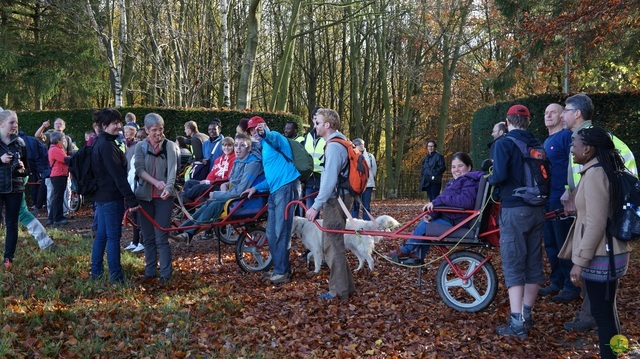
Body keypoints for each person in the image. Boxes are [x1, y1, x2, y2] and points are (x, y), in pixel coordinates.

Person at [560, 93, 637, 332]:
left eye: (565, 109)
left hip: (603, 250)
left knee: (604, 316)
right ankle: (616, 349)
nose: (572, 150)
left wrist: (579, 263)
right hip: (607, 247)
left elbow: (595, 221)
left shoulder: (596, 169)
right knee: (607, 314)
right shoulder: (596, 161)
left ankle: (613, 352)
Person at [489, 105, 546, 338]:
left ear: (507, 121)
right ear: (528, 122)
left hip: (514, 208)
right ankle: (527, 314)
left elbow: (500, 176)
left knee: (513, 262)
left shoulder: (503, 143)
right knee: (533, 262)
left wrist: (491, 178)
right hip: (538, 209)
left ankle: (516, 323)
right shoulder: (537, 144)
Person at [387, 153, 482, 262]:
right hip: (451, 217)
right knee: (426, 222)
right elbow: (443, 200)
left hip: (457, 221)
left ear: (469, 167)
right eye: (453, 167)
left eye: (460, 166)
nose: (456, 170)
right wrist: (433, 214)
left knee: (425, 227)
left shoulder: (469, 181)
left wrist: (440, 201)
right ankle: (417, 255)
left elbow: (466, 201)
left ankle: (405, 250)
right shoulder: (453, 182)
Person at [172, 134, 263, 243]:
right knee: (208, 202)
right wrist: (225, 185)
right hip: (230, 193)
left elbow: (240, 191)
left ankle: (188, 233)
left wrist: (217, 194)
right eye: (236, 145)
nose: (238, 148)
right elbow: (232, 180)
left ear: (248, 148)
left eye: (242, 145)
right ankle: (181, 229)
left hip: (242, 199)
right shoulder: (239, 160)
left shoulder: (253, 164)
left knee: (214, 203)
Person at [243, 116, 300, 285]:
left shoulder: (274, 137)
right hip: (275, 191)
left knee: (281, 230)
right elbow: (271, 178)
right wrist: (256, 188)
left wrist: (265, 133)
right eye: (251, 131)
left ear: (264, 126)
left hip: (287, 187)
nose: (254, 132)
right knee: (271, 232)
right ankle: (279, 268)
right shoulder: (265, 149)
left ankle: (282, 272)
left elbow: (273, 138)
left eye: (256, 128)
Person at [305, 108, 355, 300]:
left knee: (331, 245)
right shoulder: (341, 142)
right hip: (339, 198)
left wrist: (315, 206)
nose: (314, 126)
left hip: (336, 201)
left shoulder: (334, 147)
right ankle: (346, 286)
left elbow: (329, 181)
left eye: (317, 122)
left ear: (327, 125)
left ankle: (337, 291)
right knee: (335, 243)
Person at [91, 108, 140, 284]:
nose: (119, 127)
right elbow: (117, 175)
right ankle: (116, 278)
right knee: (112, 237)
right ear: (104, 126)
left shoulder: (100, 142)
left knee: (102, 236)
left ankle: (96, 273)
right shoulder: (106, 146)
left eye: (119, 123)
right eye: (115, 124)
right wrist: (130, 197)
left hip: (102, 197)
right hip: (111, 197)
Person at [538, 103, 580, 303]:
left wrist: (569, 191)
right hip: (546, 200)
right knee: (551, 244)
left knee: (564, 244)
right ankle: (557, 282)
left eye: (552, 112)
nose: (548, 115)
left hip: (560, 199)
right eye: (546, 113)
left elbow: (574, 164)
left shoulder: (565, 137)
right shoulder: (546, 141)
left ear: (562, 115)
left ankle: (571, 287)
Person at [134, 113, 179, 285]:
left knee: (162, 236)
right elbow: (139, 169)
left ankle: (166, 274)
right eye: (154, 130)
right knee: (147, 237)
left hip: (163, 198)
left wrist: (167, 188)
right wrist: (155, 182)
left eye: (160, 129)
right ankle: (150, 271)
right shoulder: (140, 146)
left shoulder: (170, 146)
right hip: (144, 196)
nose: (158, 133)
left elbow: (172, 171)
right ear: (146, 130)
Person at [0, 110, 30, 270]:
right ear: (1, 124)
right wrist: (0, 160)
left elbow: (27, 170)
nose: (15, 125)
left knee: (12, 224)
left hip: (15, 188)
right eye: (12, 122)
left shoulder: (20, 143)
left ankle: (8, 258)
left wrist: (22, 169)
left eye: (16, 122)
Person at [181, 136, 235, 203]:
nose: (226, 148)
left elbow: (228, 178)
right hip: (212, 183)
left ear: (233, 147)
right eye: (224, 145)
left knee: (198, 188)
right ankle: (188, 201)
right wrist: (206, 181)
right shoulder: (218, 160)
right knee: (189, 183)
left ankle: (183, 197)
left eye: (229, 145)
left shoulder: (234, 160)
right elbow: (212, 174)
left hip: (220, 185)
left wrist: (208, 182)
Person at [301, 106, 326, 210]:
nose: (317, 120)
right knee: (310, 211)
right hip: (309, 180)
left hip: (325, 179)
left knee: (327, 213)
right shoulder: (307, 137)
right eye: (315, 117)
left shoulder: (329, 136)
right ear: (312, 119)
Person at [47, 131, 70, 226]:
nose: (64, 140)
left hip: (59, 174)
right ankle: (57, 218)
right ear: (58, 140)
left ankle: (52, 218)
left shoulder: (56, 148)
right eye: (63, 139)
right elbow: (65, 160)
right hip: (58, 175)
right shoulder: (55, 149)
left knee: (57, 197)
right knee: (58, 197)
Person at [350, 138, 377, 220]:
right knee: (355, 206)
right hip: (355, 185)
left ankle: (367, 225)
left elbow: (373, 170)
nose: (361, 146)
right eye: (359, 144)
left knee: (366, 206)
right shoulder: (351, 156)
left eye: (362, 144)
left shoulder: (370, 156)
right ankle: (354, 226)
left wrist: (367, 179)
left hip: (368, 185)